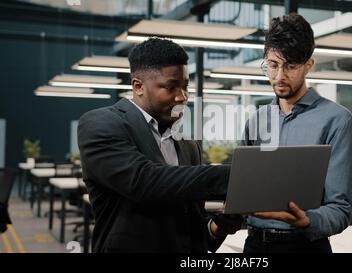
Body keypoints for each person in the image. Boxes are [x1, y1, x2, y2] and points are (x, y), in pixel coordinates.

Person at [77, 37, 241, 253]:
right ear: (138, 86)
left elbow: (192, 229)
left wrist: (218, 227)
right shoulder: (101, 124)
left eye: (185, 87)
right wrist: (236, 176)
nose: (182, 97)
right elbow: (145, 182)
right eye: (171, 87)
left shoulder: (188, 146)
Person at [242, 14, 352, 253]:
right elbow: (241, 192)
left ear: (308, 65)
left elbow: (340, 210)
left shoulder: (337, 120)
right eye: (273, 65)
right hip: (255, 245)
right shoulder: (257, 120)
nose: (279, 76)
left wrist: (305, 220)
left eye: (291, 66)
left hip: (305, 246)